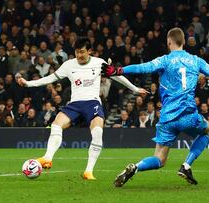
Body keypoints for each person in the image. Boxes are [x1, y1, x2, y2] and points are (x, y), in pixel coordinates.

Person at [102, 27, 209, 187]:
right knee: (207, 129)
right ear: (183, 42)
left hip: (167, 117)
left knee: (159, 159)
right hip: (188, 115)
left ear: (169, 42)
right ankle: (186, 165)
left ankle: (136, 167)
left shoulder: (164, 60)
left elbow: (142, 67)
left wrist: (117, 70)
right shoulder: (196, 61)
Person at [18, 39, 147, 180]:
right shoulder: (68, 65)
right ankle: (47, 157)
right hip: (75, 104)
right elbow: (49, 78)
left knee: (98, 131)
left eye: (82, 51)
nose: (79, 55)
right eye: (77, 52)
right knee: (56, 124)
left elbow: (116, 75)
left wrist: (134, 88)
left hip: (92, 103)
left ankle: (88, 171)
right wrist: (28, 83)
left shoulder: (99, 63)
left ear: (89, 51)